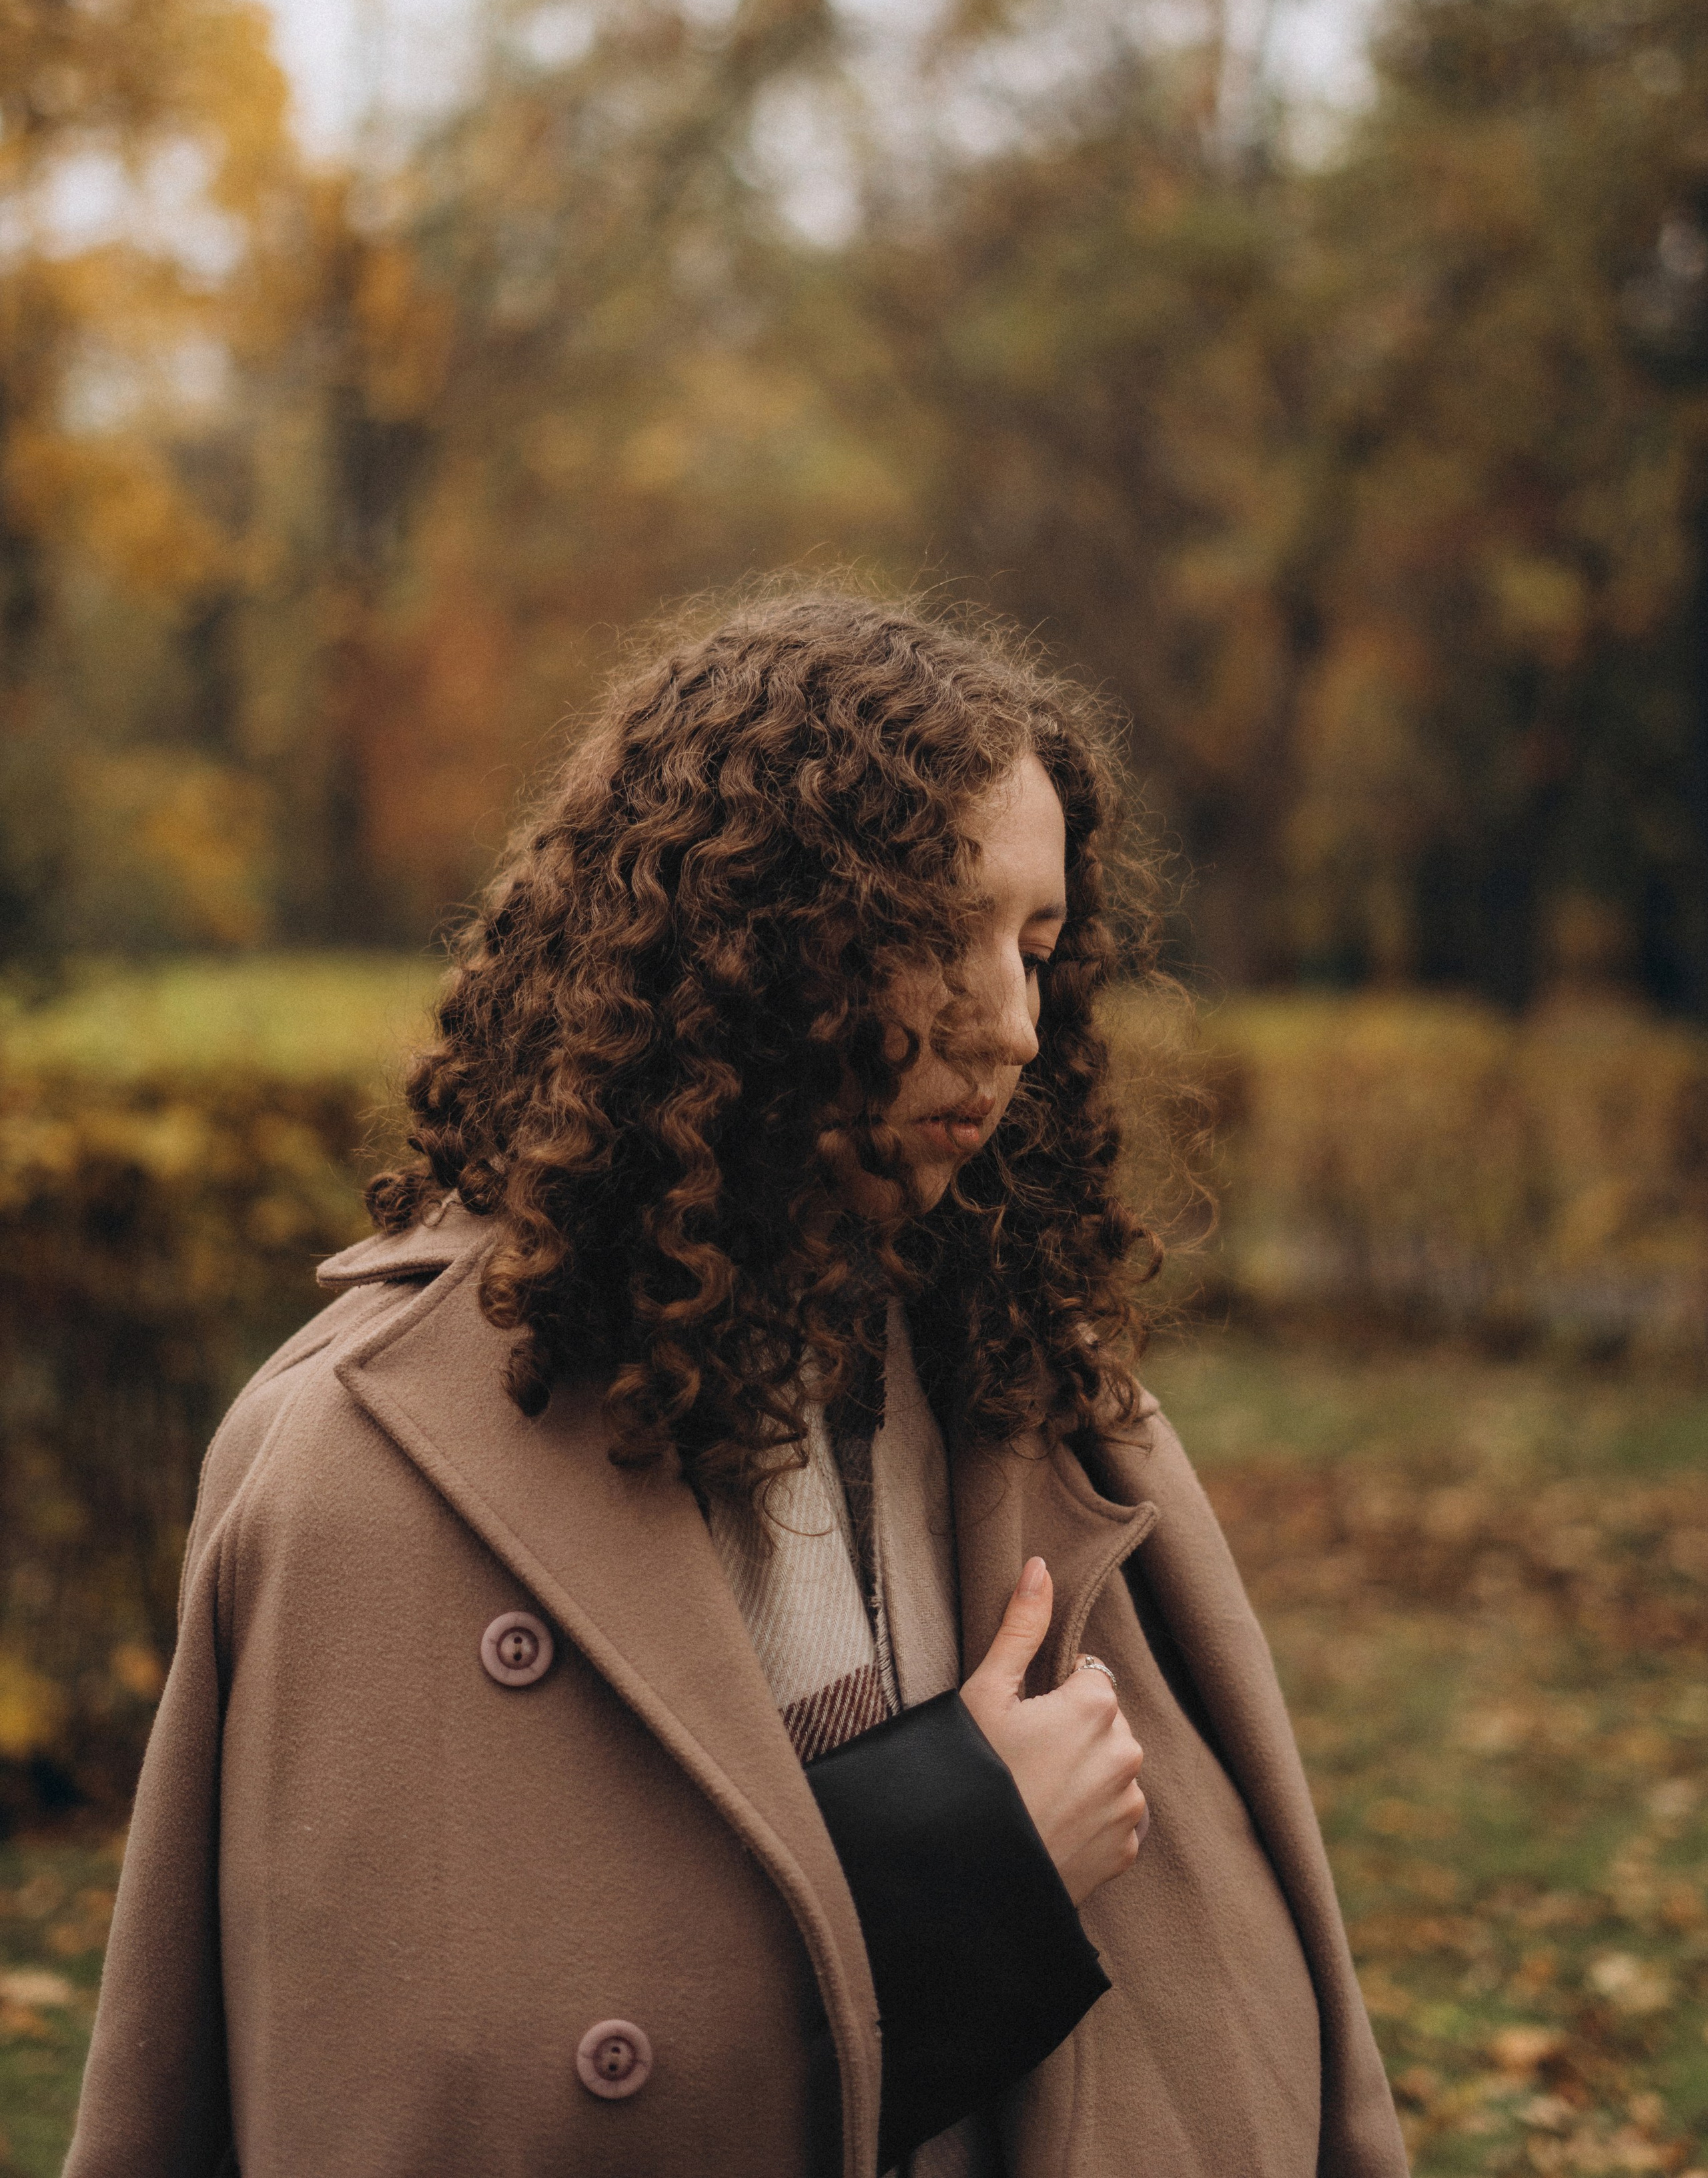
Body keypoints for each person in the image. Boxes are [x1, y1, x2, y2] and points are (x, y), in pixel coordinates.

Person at [65, 590, 1408, 2178]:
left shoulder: (1044, 1398)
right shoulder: (357, 1472)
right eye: (934, 932)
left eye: (1036, 949)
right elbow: (428, 2094)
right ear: (737, 943)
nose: (1011, 1025)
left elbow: (1276, 2031)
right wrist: (962, 1869)